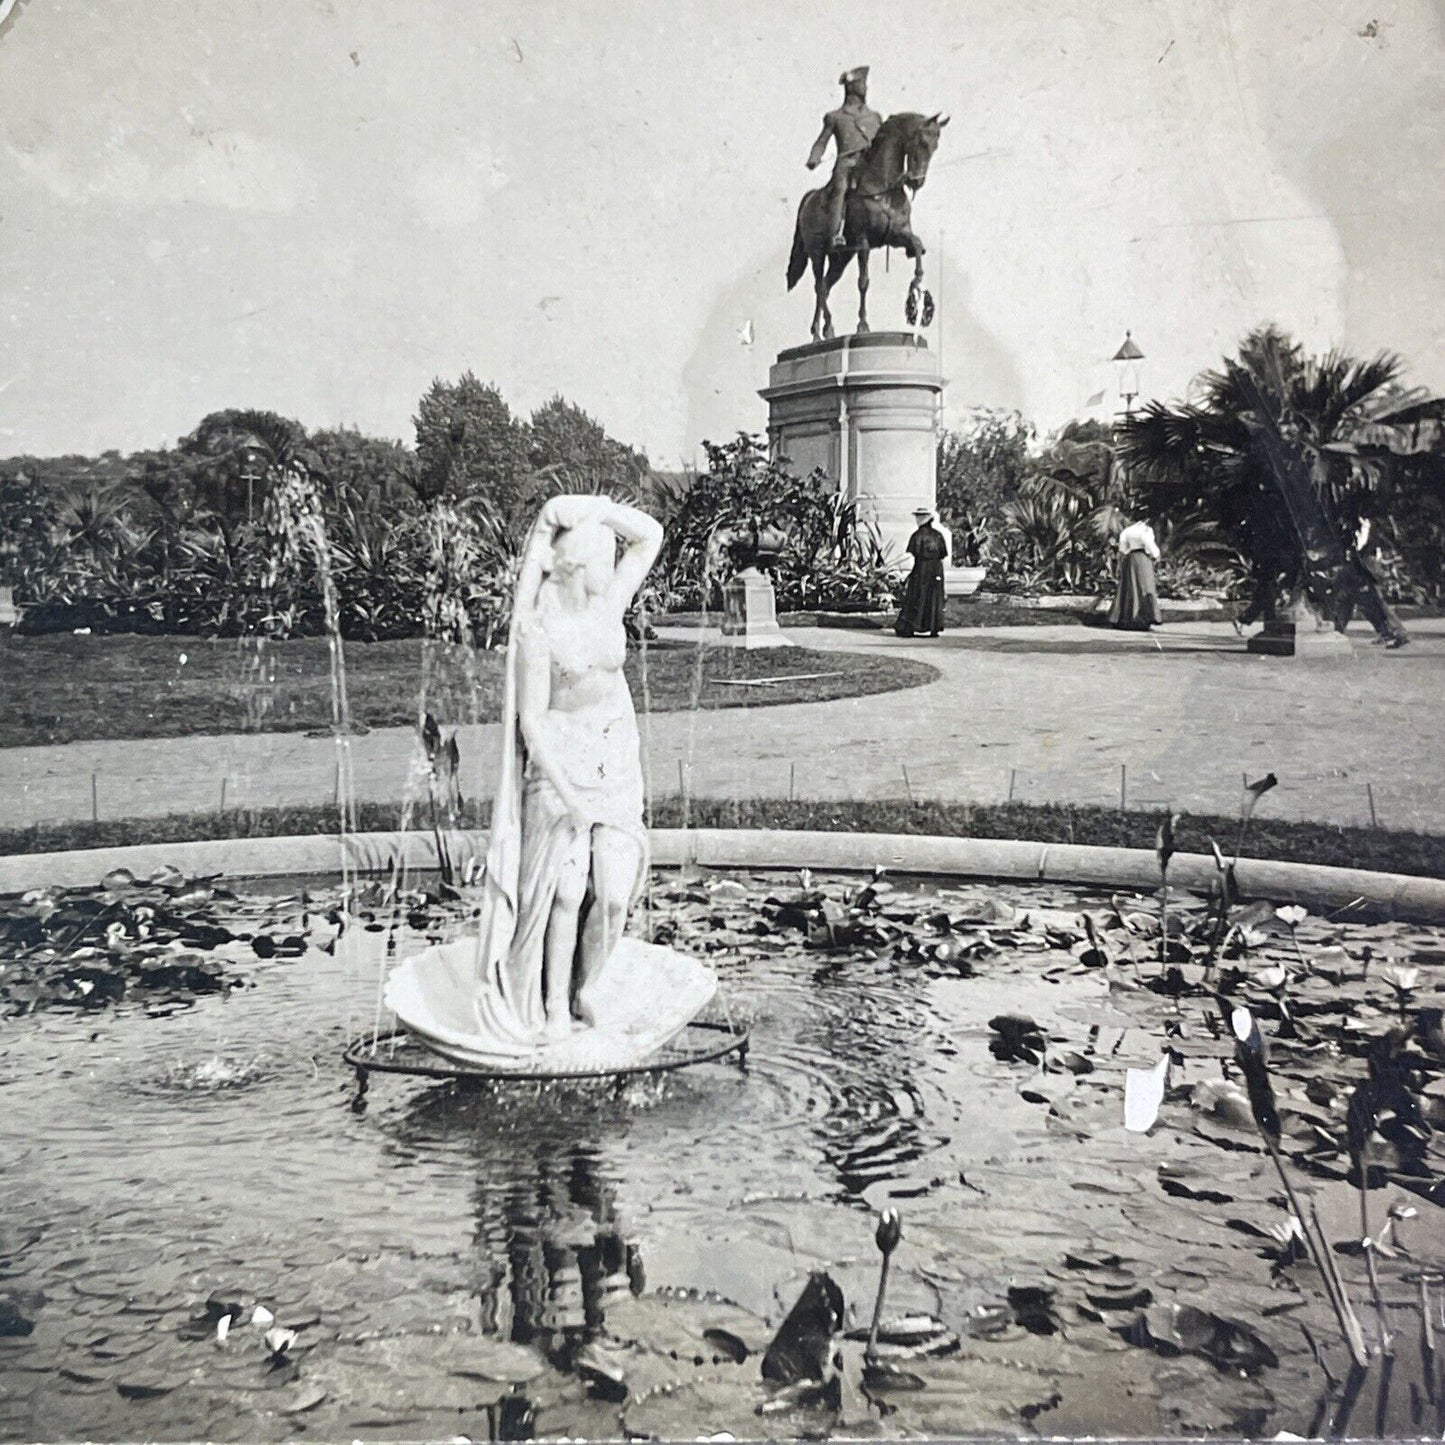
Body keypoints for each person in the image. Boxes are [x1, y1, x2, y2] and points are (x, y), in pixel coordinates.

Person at [806, 65, 882, 251]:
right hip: (847, 166)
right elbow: (821, 141)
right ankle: (836, 233)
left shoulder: (875, 117)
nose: (866, 89)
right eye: (862, 85)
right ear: (853, 88)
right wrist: (814, 157)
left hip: (870, 168)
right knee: (840, 189)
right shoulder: (836, 117)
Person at [1332, 516, 1409, 649]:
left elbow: (1362, 547)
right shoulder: (1360, 526)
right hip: (1359, 567)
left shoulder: (1364, 525)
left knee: (1371, 602)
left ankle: (1395, 633)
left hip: (1363, 566)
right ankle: (1388, 633)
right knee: (1353, 600)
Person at [895, 506, 948, 637]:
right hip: (936, 569)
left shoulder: (917, 535)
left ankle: (911, 625)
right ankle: (933, 626)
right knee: (934, 596)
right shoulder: (938, 535)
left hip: (922, 569)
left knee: (917, 595)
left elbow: (915, 552)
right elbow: (942, 553)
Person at [1108, 518, 1163, 631]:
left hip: (1130, 559)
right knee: (1144, 586)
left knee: (1129, 586)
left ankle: (1125, 619)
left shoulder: (1127, 531)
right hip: (1142, 559)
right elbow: (1149, 544)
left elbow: (1122, 548)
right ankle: (1142, 618)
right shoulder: (1145, 530)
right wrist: (1156, 555)